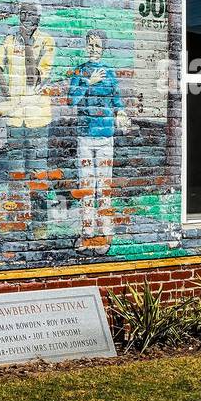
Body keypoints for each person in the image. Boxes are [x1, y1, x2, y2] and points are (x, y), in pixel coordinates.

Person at [0, 2, 55, 237]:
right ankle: (16, 221)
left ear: (38, 18)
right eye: (22, 14)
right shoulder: (9, 41)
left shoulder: (46, 42)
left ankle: (39, 226)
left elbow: (32, 78)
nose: (25, 18)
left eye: (30, 14)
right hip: (15, 118)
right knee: (16, 173)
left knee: (38, 173)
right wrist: (6, 92)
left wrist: (28, 44)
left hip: (39, 118)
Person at [67, 30, 129, 255]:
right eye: (90, 45)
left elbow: (117, 101)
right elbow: (71, 99)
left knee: (103, 188)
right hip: (85, 136)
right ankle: (87, 234)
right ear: (85, 46)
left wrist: (121, 114)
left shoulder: (110, 74)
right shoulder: (79, 71)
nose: (93, 49)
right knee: (86, 187)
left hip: (105, 137)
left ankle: (103, 236)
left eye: (97, 46)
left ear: (104, 49)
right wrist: (87, 81)